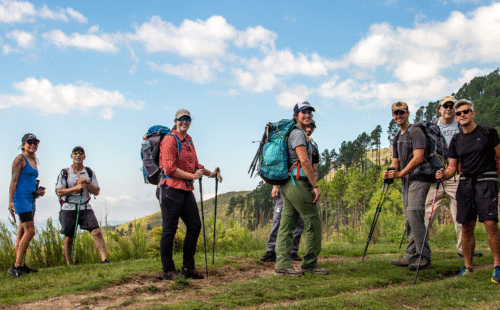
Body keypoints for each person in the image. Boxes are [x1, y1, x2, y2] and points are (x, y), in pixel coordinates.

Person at [436, 99, 500, 283]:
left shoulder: (488, 132)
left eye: (466, 111)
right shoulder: (456, 140)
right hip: (465, 184)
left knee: (490, 223)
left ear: (473, 113)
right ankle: (468, 266)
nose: (462, 115)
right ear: (456, 118)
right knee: (466, 225)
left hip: (487, 181)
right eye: (458, 113)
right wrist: (443, 174)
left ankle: (497, 267)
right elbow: (452, 168)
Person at [158, 109, 220, 280]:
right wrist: (193, 177)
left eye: (187, 119)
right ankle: (168, 271)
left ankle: (188, 269)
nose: (184, 122)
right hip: (170, 189)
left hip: (185, 189)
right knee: (169, 229)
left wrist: (211, 174)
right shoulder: (170, 140)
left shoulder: (189, 141)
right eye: (181, 119)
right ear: (175, 121)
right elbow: (169, 168)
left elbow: (195, 165)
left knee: (194, 226)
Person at [424, 96, 482, 258]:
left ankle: (464, 249)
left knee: (460, 214)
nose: (449, 109)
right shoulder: (430, 127)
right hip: (435, 176)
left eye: (452, 106)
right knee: (427, 214)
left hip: (456, 175)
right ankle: (420, 249)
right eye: (445, 106)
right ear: (439, 109)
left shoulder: (462, 125)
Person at [274, 102, 326, 276]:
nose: (307, 115)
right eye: (303, 112)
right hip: (298, 182)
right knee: (313, 221)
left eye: (310, 112)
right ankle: (310, 263)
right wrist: (315, 186)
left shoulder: (295, 132)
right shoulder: (297, 134)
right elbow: (304, 161)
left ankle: (282, 265)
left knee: (287, 224)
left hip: (288, 183)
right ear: (296, 115)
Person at [260, 120, 318, 263]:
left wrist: (313, 183)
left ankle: (291, 252)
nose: (309, 129)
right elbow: (280, 163)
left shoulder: (313, 146)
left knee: (297, 221)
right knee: (279, 219)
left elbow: (314, 167)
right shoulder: (293, 137)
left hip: (302, 183)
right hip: (287, 183)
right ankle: (271, 251)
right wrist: (274, 186)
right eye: (308, 126)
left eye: (312, 127)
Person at [384, 101, 433, 271]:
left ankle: (424, 256)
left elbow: (419, 157)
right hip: (407, 180)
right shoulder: (398, 136)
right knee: (408, 216)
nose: (399, 116)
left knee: (414, 213)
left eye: (402, 113)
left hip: (420, 177)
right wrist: (390, 172)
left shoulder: (416, 131)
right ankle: (411, 255)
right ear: (392, 116)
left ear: (408, 113)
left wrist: (400, 174)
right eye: (396, 113)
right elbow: (395, 161)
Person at [56, 146, 109, 265]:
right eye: (75, 153)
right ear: (71, 156)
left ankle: (105, 260)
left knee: (97, 232)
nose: (78, 155)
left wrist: (87, 183)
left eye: (81, 153)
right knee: (69, 238)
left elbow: (96, 191)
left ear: (84, 157)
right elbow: (59, 191)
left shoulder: (89, 172)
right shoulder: (65, 172)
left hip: (85, 207)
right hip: (68, 207)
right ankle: (69, 264)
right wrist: (76, 188)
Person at [8, 133, 45, 277]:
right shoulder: (19, 159)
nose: (33, 144)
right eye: (29, 142)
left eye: (36, 142)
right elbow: (13, 181)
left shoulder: (33, 161)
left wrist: (37, 192)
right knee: (30, 231)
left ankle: (21, 264)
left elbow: (27, 181)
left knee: (22, 232)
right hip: (21, 199)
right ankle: (16, 266)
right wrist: (10, 201)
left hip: (30, 198)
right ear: (23, 144)